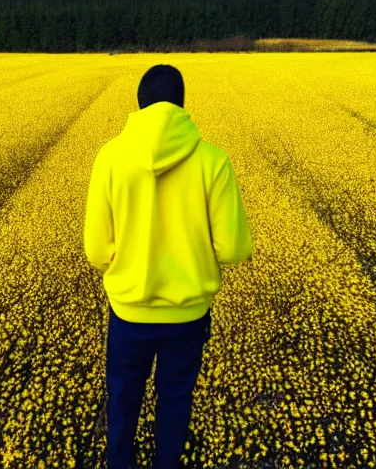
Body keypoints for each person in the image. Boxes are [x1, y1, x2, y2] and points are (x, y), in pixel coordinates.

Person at [84, 64, 253, 469]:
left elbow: (94, 250)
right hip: (189, 315)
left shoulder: (110, 157)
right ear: (181, 105)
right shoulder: (214, 161)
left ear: (139, 106)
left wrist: (125, 266)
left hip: (128, 312)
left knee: (123, 397)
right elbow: (233, 249)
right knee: (176, 398)